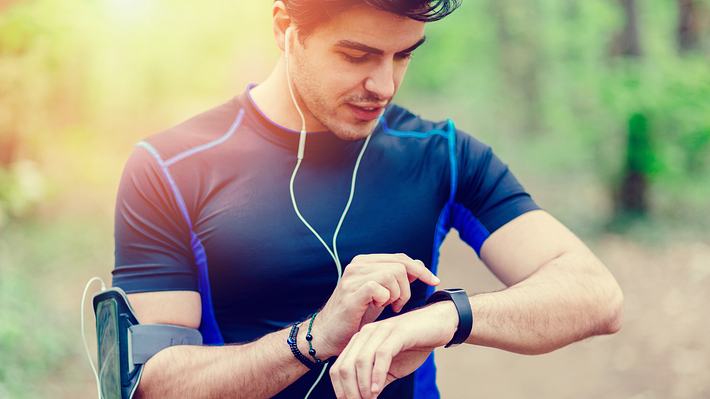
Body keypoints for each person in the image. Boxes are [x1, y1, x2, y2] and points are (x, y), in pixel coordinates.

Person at [111, 1, 624, 398]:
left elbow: (595, 295)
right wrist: (311, 340)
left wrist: (445, 317)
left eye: (403, 55)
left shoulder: (442, 154)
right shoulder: (171, 167)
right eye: (357, 55)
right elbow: (155, 384)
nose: (383, 85)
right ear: (284, 29)